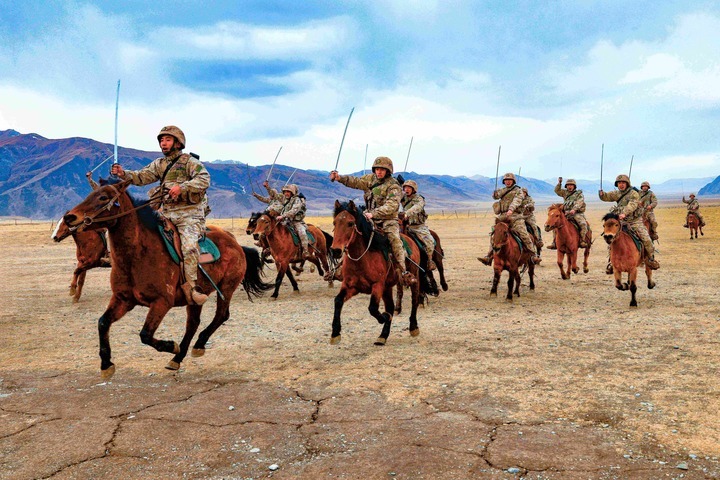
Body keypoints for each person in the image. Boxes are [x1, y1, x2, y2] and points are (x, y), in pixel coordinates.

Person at [111, 125, 211, 305]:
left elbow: (204, 179)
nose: (163, 143)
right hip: (166, 212)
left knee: (189, 247)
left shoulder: (190, 162)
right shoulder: (159, 164)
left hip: (189, 214)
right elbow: (142, 177)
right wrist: (123, 174)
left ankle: (191, 287)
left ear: (178, 143)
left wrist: (183, 187)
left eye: (168, 140)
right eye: (161, 140)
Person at [330, 156, 417, 286]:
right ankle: (341, 267)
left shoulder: (394, 186)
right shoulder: (370, 179)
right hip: (369, 217)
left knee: (395, 239)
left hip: (388, 220)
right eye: (377, 169)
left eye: (382, 169)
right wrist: (339, 178)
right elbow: (355, 181)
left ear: (388, 171)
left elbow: (391, 205)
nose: (379, 172)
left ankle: (403, 271)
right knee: (352, 234)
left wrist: (373, 213)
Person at [478, 173, 542, 266]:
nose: (507, 182)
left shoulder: (518, 191)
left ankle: (533, 255)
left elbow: (517, 201)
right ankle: (489, 256)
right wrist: (494, 194)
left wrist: (511, 209)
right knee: (495, 234)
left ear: (513, 181)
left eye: (509, 180)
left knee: (523, 233)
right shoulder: (502, 190)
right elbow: (496, 196)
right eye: (506, 180)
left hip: (515, 216)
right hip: (503, 217)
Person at [599, 174, 659, 272]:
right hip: (621, 222)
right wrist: (602, 194)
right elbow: (607, 197)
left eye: (623, 183)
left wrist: (624, 213)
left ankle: (650, 259)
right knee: (611, 239)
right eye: (619, 183)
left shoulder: (634, 193)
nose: (621, 185)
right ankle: (611, 261)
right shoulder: (616, 193)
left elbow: (632, 205)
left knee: (647, 239)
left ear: (627, 184)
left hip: (634, 221)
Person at [400, 180, 436, 271]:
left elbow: (417, 207)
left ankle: (430, 261)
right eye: (405, 187)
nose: (406, 189)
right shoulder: (402, 198)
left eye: (409, 188)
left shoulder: (419, 199)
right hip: (406, 226)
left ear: (413, 189)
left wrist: (407, 213)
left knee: (429, 241)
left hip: (418, 227)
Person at [550, 178, 589, 249]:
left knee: (583, 224)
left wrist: (574, 209)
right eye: (568, 185)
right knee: (556, 223)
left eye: (571, 185)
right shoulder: (565, 193)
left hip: (576, 213)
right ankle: (554, 242)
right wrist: (559, 183)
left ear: (574, 186)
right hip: (566, 213)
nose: (569, 186)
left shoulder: (579, 194)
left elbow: (579, 202)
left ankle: (582, 240)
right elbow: (557, 191)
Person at [276, 184, 310, 259]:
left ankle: (305, 251)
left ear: (292, 192)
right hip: (285, 221)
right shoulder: (285, 200)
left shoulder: (297, 200)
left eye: (288, 192)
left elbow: (294, 210)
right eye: (285, 192)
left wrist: (283, 216)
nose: (286, 193)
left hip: (296, 221)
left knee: (302, 232)